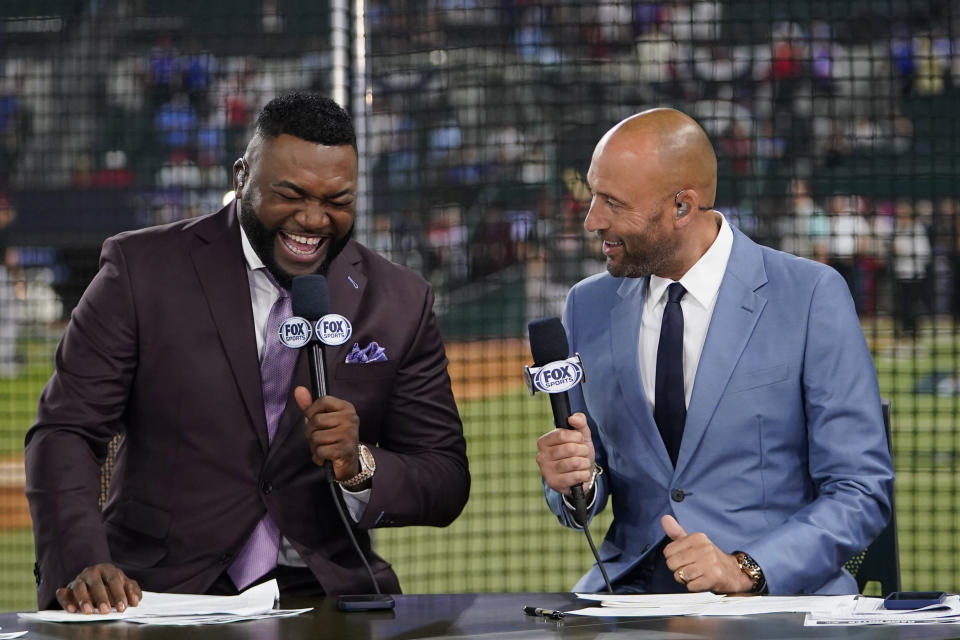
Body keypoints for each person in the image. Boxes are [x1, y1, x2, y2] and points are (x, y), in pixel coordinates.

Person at [25, 92, 470, 612]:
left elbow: (444, 477)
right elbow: (67, 430)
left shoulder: (399, 300)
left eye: (337, 201)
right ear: (242, 178)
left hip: (325, 592)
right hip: (158, 592)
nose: (313, 219)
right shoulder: (141, 269)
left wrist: (360, 465)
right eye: (292, 194)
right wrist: (81, 561)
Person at [535, 108, 893, 595]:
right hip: (633, 596)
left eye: (613, 203)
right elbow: (584, 483)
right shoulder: (587, 304)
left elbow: (860, 490)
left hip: (772, 602)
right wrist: (577, 480)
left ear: (683, 206)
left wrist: (746, 567)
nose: (592, 220)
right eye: (594, 194)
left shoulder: (809, 295)